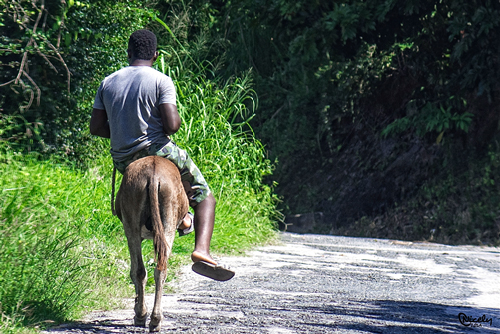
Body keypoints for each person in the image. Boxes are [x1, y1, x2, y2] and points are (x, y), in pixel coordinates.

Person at [90, 29, 234, 281]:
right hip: (157, 149)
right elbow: (172, 125)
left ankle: (182, 218)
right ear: (156, 55)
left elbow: (97, 127)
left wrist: (124, 134)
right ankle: (201, 249)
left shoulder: (108, 82)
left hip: (124, 159)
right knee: (204, 193)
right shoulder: (161, 80)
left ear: (129, 52)